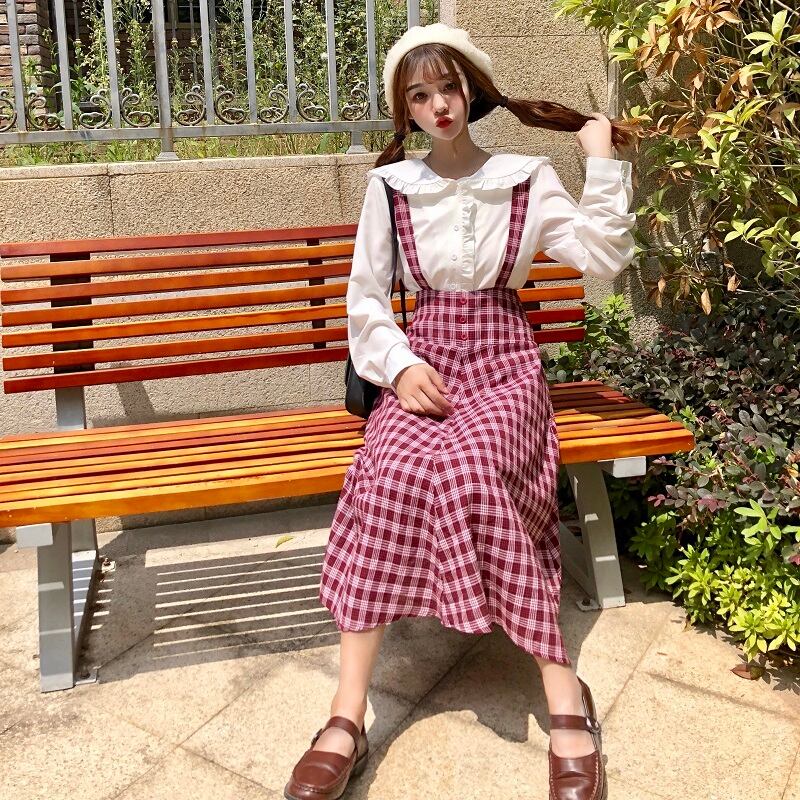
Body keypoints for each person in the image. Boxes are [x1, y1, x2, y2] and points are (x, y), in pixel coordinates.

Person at [285, 22, 636, 800]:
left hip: (505, 365)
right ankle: (347, 714)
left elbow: (603, 257)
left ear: (472, 90)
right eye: (419, 95)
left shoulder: (524, 177)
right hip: (424, 365)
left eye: (448, 88)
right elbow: (365, 300)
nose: (438, 105)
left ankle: (562, 689)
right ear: (405, 109)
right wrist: (401, 366)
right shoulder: (391, 187)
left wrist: (601, 161)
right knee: (386, 477)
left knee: (476, 470)